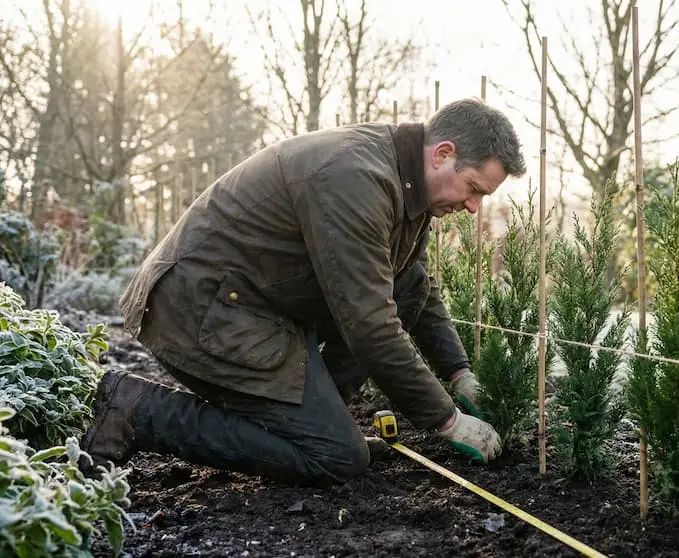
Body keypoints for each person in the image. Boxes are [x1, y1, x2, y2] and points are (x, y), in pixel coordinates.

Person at [79, 98, 526, 486]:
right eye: (474, 189)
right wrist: (447, 420)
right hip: (200, 310)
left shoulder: (406, 185)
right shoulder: (355, 177)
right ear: (443, 154)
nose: (473, 207)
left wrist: (458, 372)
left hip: (253, 305)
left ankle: (315, 421)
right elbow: (370, 325)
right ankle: (136, 411)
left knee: (406, 286)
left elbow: (414, 286)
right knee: (337, 457)